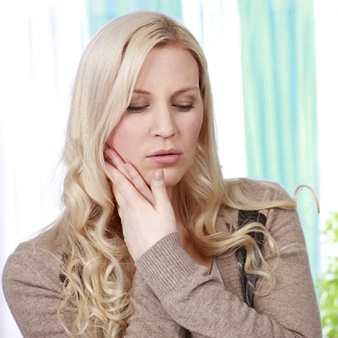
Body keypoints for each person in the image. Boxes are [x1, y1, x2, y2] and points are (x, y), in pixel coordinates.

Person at [2, 10, 322, 338]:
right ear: (95, 118)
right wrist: (155, 260)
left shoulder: (261, 212)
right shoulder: (36, 273)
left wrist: (166, 262)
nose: (167, 129)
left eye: (183, 104)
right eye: (137, 106)